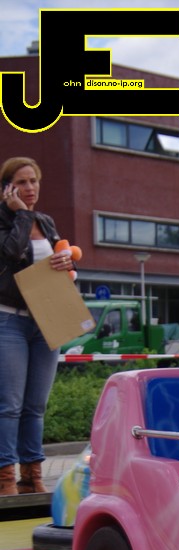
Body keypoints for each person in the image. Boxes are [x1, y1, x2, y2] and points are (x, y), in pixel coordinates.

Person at [0, 156, 74, 496]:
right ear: (8, 188)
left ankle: (32, 475)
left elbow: (63, 265)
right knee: (9, 405)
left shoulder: (46, 221)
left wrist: (67, 263)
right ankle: (5, 478)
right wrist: (21, 214)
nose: (30, 188)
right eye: (22, 182)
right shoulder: (8, 219)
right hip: (9, 320)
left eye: (34, 181)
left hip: (47, 318)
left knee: (35, 406)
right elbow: (12, 253)